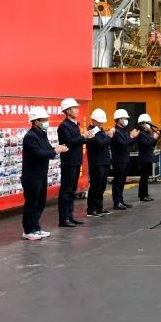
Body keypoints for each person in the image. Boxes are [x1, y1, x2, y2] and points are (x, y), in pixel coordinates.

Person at [21, 107, 68, 240]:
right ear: (36, 121)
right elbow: (39, 153)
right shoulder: (30, 137)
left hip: (41, 174)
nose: (46, 122)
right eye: (44, 120)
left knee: (40, 202)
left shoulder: (42, 133)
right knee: (31, 203)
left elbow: (47, 149)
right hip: (31, 175)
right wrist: (55, 151)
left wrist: (56, 149)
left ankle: (36, 227)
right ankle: (28, 230)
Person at [57, 97, 94, 228]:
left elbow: (77, 141)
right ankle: (64, 218)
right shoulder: (64, 126)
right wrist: (83, 137)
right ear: (67, 111)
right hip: (69, 161)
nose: (77, 110)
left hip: (76, 160)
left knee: (72, 190)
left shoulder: (74, 124)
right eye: (74, 108)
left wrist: (86, 137)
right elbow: (69, 142)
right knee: (66, 191)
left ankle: (70, 216)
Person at [110, 109, 139, 210]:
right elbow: (122, 143)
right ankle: (117, 202)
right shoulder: (116, 131)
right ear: (118, 119)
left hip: (125, 159)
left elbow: (128, 143)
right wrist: (131, 136)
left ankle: (121, 200)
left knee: (122, 181)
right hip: (118, 160)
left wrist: (133, 137)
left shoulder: (123, 130)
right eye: (124, 118)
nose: (126, 120)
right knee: (118, 181)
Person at [85, 109, 112, 217]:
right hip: (96, 162)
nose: (101, 124)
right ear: (93, 120)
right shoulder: (91, 131)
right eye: (99, 122)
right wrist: (109, 136)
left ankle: (99, 206)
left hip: (104, 161)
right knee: (95, 186)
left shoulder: (100, 130)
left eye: (102, 122)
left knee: (102, 186)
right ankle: (92, 209)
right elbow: (101, 143)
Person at [136, 113, 159, 202]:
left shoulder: (147, 132)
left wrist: (154, 138)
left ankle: (145, 193)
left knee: (146, 177)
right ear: (142, 123)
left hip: (148, 157)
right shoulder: (141, 133)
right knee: (144, 177)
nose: (149, 124)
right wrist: (154, 138)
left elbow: (151, 144)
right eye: (147, 122)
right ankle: (142, 195)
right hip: (144, 158)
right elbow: (147, 144)